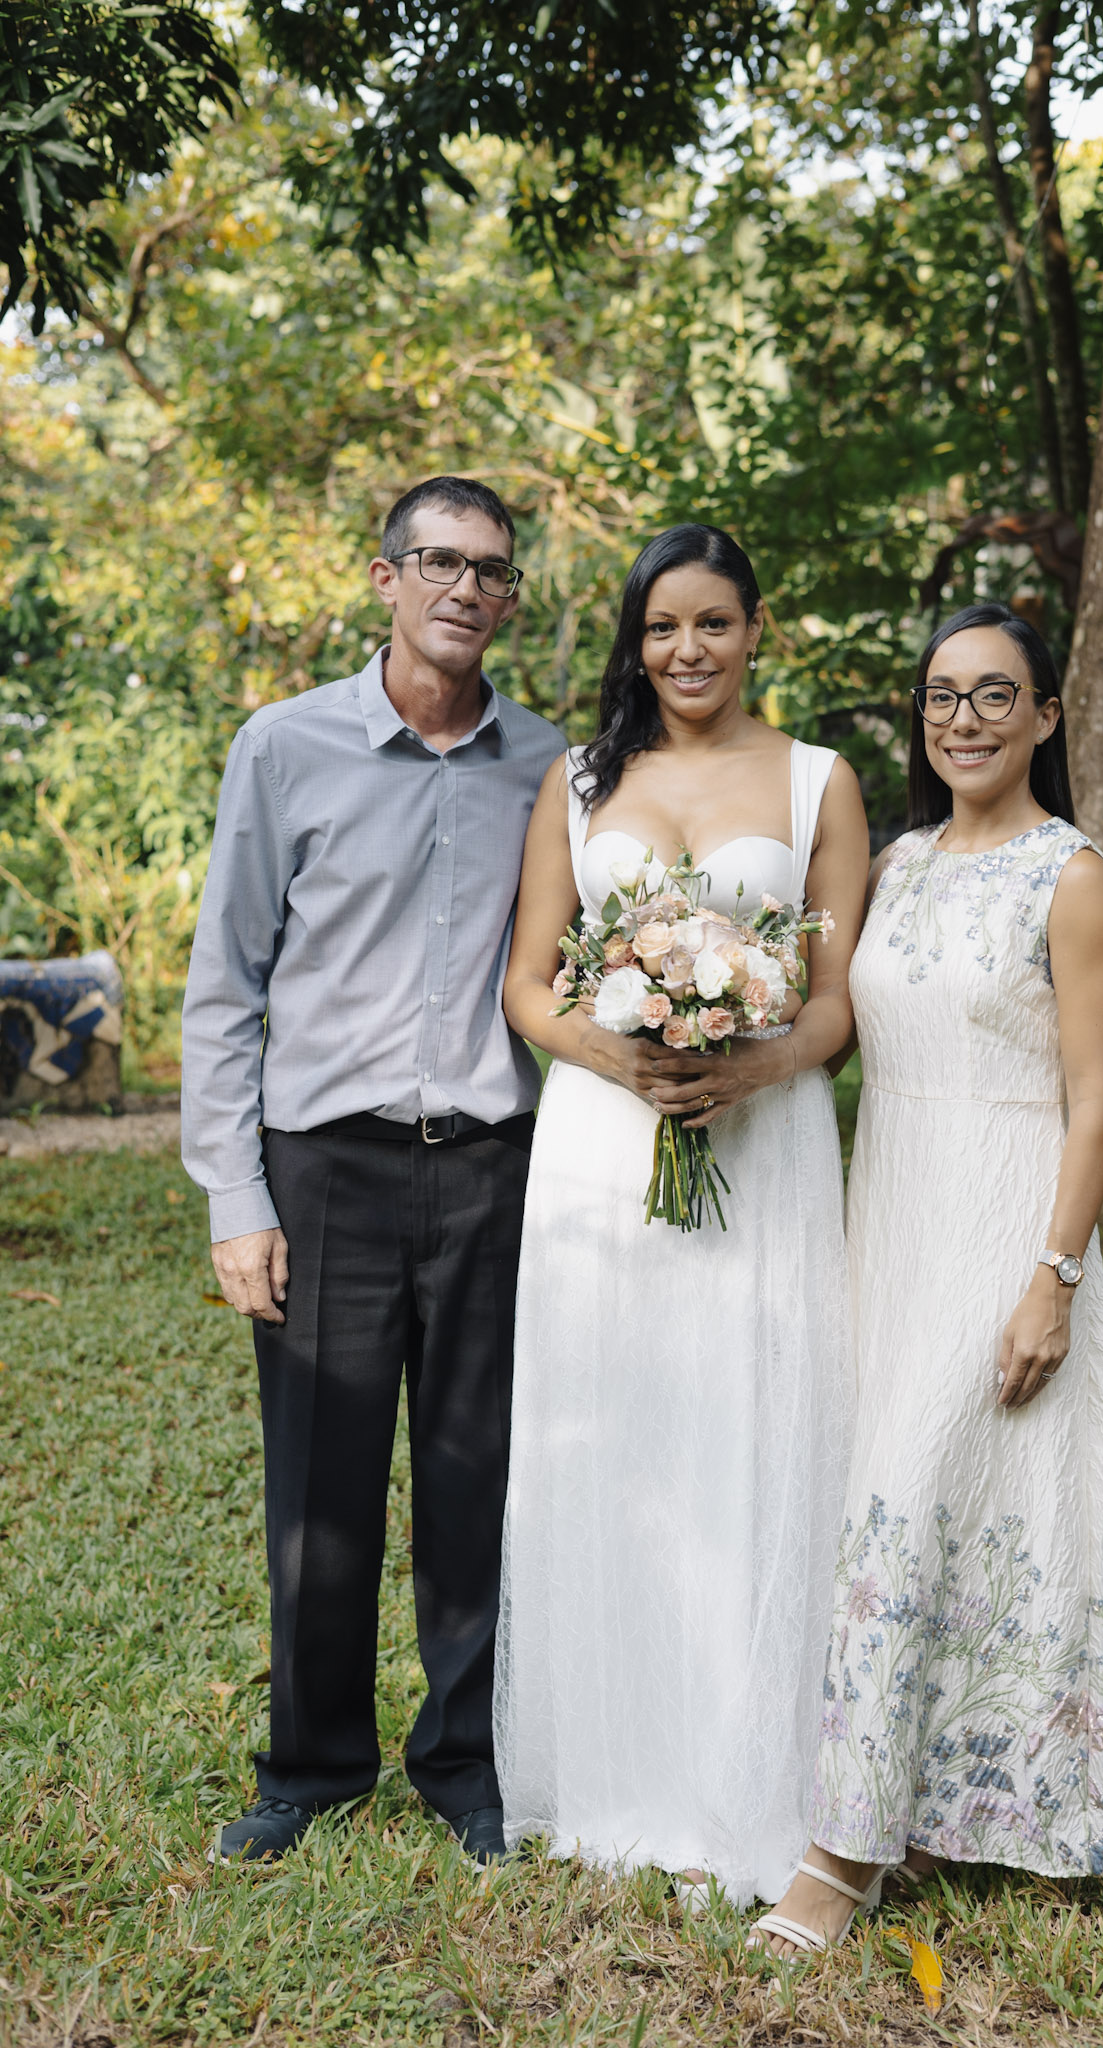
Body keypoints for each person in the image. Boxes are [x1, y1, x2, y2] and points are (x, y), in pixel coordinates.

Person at [752, 601, 1103, 1958]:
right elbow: (828, 1016)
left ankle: (837, 1857)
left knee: (911, 1492)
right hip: (892, 1209)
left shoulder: (1072, 875)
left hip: (1004, 1211)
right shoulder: (905, 864)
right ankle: (950, 1801)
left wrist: (1053, 1274)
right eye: (940, 695)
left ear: (1045, 716)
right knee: (910, 1492)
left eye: (994, 694)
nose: (963, 718)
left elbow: (1097, 1102)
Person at [180, 475, 565, 1865]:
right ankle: (312, 1766)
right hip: (324, 1171)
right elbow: (226, 985)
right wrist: (236, 1199)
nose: (467, 590)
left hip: (488, 1172)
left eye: (493, 573)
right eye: (441, 563)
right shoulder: (284, 751)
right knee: (319, 1488)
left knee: (475, 1477)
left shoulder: (555, 771)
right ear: (385, 578)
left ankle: (462, 1765)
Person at [494, 524, 869, 1907]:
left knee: (753, 1425)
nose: (686, 652)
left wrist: (759, 1061)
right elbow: (531, 984)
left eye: (712, 623)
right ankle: (614, 1776)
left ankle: (751, 1775)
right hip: (601, 1149)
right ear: (633, 639)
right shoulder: (582, 781)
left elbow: (834, 995)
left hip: (763, 1148)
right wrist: (621, 1055)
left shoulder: (821, 781)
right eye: (661, 629)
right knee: (623, 1432)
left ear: (756, 628)